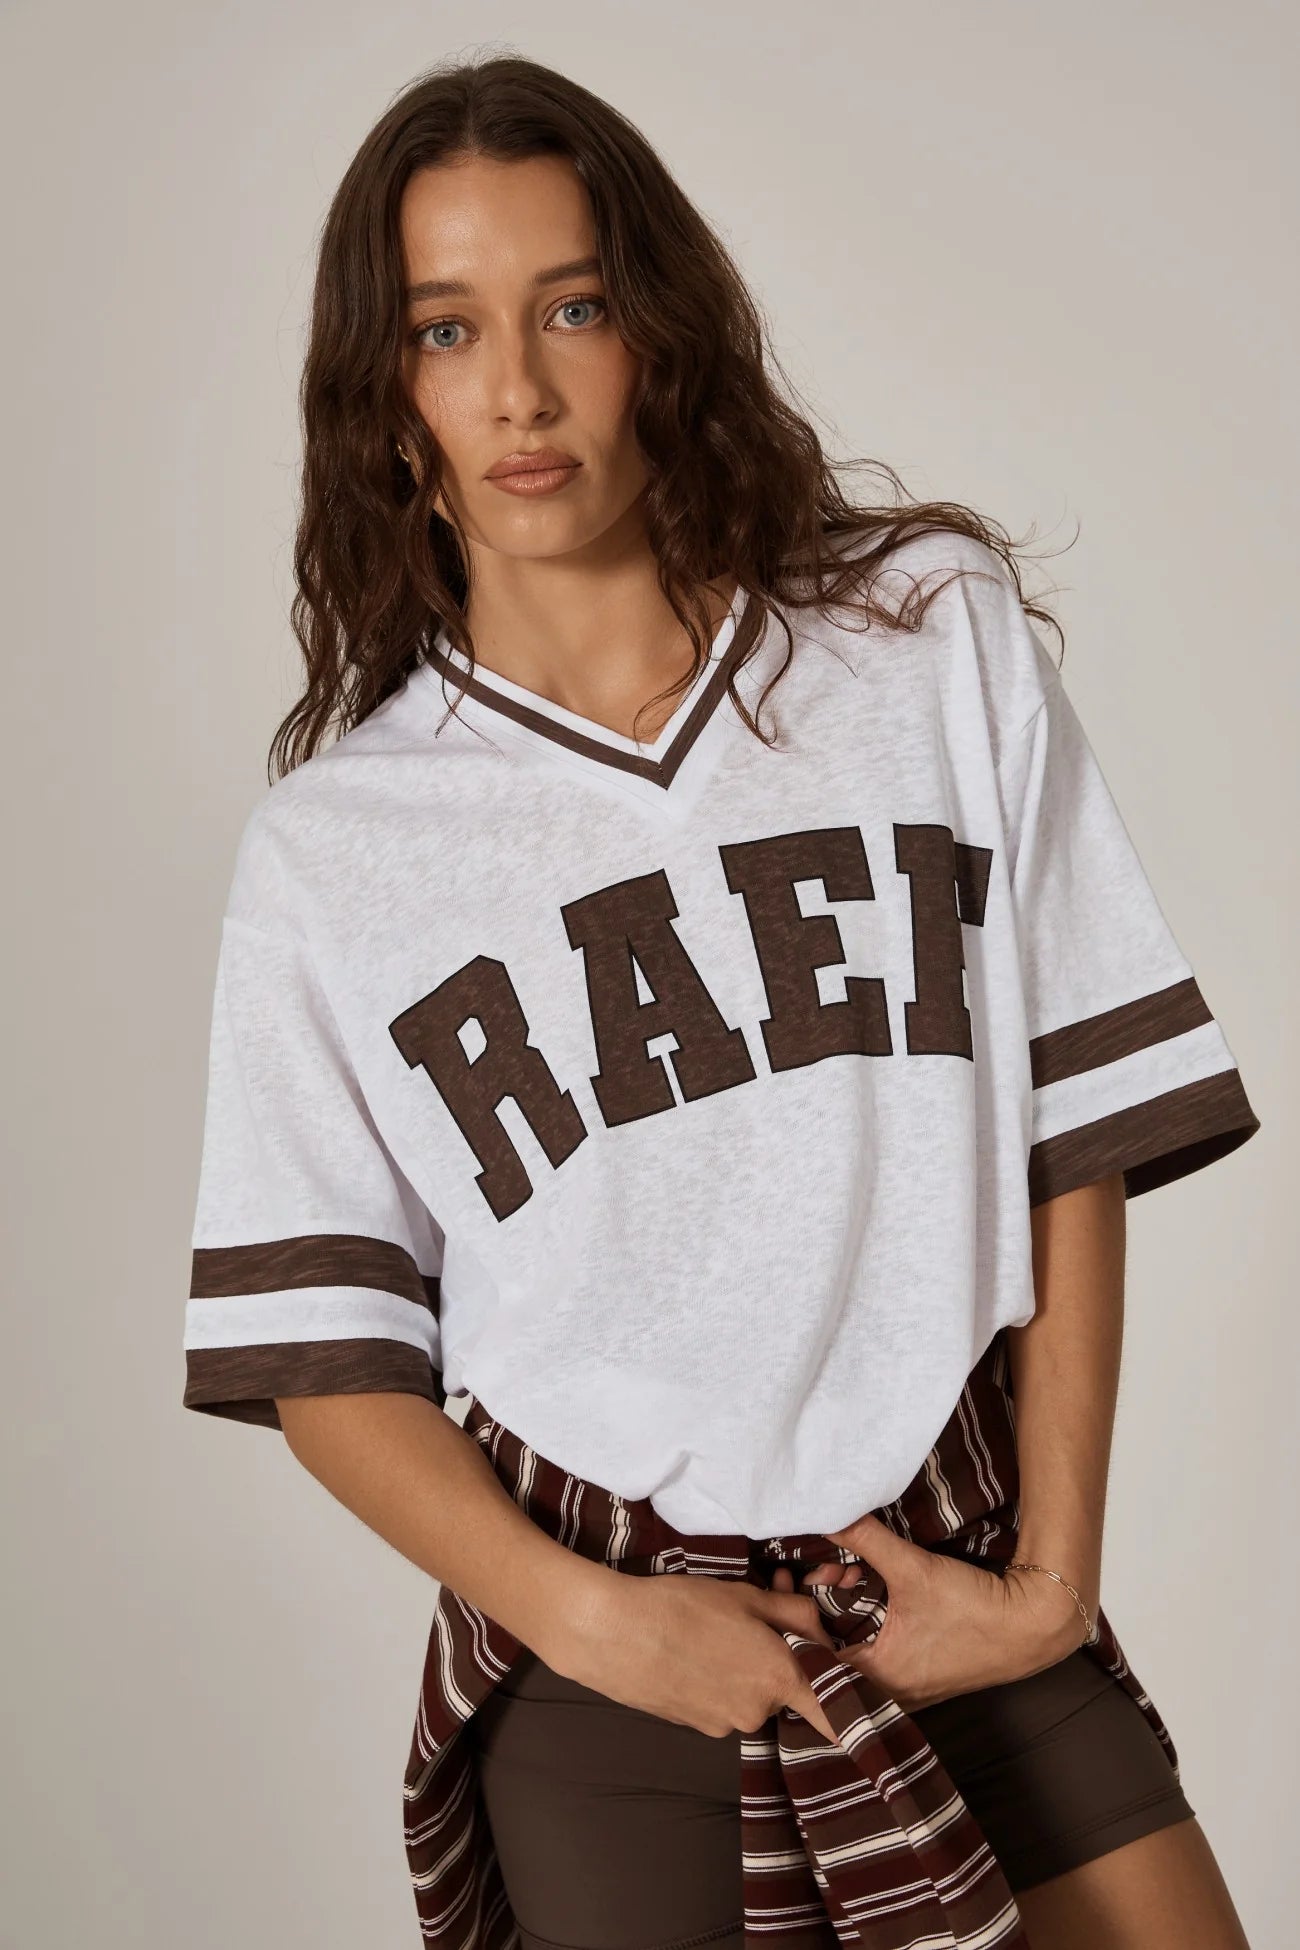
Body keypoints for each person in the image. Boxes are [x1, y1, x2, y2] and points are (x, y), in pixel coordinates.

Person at [181, 51, 1261, 1950]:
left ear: (658, 329)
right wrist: (599, 1622)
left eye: (571, 307)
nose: (518, 390)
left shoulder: (924, 644)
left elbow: (1072, 1126)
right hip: (612, 1668)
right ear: (387, 396)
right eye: (446, 330)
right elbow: (329, 1361)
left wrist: (1048, 1588)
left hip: (948, 1577)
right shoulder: (340, 847)